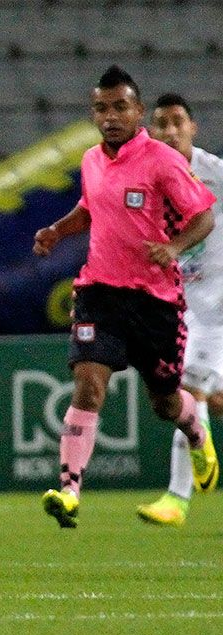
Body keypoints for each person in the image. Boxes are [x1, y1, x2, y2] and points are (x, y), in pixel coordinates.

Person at [33, 67, 219, 529]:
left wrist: (173, 248)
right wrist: (57, 230)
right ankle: (69, 491)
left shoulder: (162, 160)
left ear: (138, 112)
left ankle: (195, 430)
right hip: (99, 292)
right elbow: (90, 207)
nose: (110, 116)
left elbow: (204, 216)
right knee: (88, 383)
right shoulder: (91, 160)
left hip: (156, 301)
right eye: (101, 108)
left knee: (165, 404)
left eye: (120, 107)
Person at [136, 93, 223, 526]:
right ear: (151, 132)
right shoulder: (146, 177)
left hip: (219, 305)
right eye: (162, 123)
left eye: (178, 122)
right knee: (208, 399)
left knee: (188, 391)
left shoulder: (215, 173)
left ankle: (176, 498)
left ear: (193, 128)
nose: (170, 131)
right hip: (179, 305)